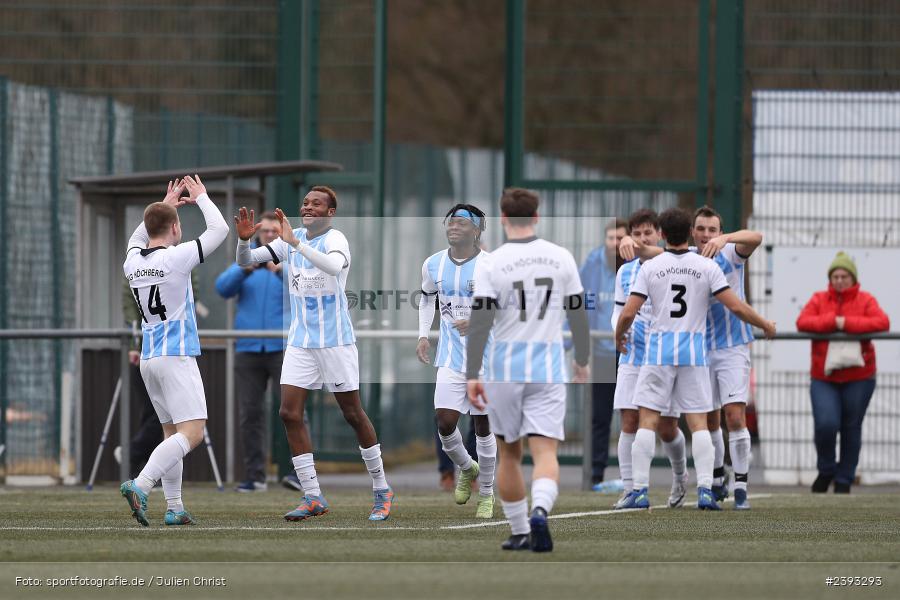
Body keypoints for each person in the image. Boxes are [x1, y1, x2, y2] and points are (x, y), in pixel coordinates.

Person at [234, 186, 393, 521]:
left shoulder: (335, 240)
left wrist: (295, 244)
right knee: (288, 413)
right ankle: (312, 496)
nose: (308, 207)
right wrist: (245, 240)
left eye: (316, 204)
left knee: (353, 414)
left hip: (335, 341)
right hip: (300, 342)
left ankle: (381, 488)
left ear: (330, 212)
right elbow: (245, 261)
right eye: (305, 202)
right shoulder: (290, 240)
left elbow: (334, 268)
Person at [614, 208, 775, 511]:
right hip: (695, 352)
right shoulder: (705, 266)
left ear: (661, 234)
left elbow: (628, 312)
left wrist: (618, 336)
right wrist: (765, 324)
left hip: (659, 351)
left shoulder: (650, 267)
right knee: (699, 424)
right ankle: (704, 489)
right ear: (690, 233)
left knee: (647, 421)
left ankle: (639, 490)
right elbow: (737, 307)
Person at [466, 188, 591, 552]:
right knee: (545, 451)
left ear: (503, 219)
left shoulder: (491, 261)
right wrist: (581, 358)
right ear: (536, 217)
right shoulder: (561, 257)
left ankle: (521, 530)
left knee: (509, 454)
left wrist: (473, 373)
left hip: (504, 368)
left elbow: (480, 322)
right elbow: (578, 315)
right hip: (548, 367)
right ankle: (540, 508)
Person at [119, 176, 229, 526]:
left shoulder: (132, 262)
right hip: (176, 355)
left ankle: (175, 507)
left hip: (149, 359)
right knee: (193, 432)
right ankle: (141, 484)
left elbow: (138, 238)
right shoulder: (177, 258)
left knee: (171, 433)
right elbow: (220, 229)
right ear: (175, 227)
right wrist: (202, 197)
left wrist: (165, 203)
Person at [417, 204, 496, 518]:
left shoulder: (492, 265)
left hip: (486, 359)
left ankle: (487, 495)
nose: (454, 226)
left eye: (462, 223)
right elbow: (425, 297)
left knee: (483, 426)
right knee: (445, 424)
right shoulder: (433, 263)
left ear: (477, 230)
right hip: (450, 357)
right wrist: (423, 335)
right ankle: (467, 467)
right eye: (450, 222)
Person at [610, 209, 688, 510]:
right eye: (637, 233)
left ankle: (680, 476)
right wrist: (619, 331)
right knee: (628, 420)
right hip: (633, 354)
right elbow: (619, 310)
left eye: (648, 233)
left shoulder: (675, 264)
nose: (642, 239)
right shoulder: (625, 271)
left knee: (667, 426)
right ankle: (631, 489)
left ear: (660, 235)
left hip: (665, 355)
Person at [796, 252, 889, 494]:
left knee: (851, 427)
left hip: (860, 377)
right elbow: (803, 322)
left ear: (853, 278)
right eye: (835, 276)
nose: (839, 280)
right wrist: (832, 320)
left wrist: (844, 323)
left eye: (844, 276)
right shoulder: (819, 298)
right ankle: (826, 469)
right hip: (824, 377)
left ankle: (845, 479)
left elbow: (881, 323)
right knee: (825, 424)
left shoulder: (866, 300)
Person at [215, 212, 289, 492]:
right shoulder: (248, 262)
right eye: (265, 231)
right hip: (247, 349)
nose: (269, 235)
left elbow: (304, 293)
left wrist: (278, 270)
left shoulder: (290, 260)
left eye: (274, 231)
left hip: (282, 349)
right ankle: (255, 476)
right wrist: (243, 269)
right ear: (258, 234)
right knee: (250, 414)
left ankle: (297, 474)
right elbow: (222, 288)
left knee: (291, 411)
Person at [577, 219, 626, 489]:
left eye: (620, 237)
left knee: (634, 414)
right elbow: (584, 305)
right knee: (600, 416)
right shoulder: (593, 266)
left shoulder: (636, 264)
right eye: (610, 238)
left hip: (631, 352)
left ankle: (635, 476)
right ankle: (596, 474)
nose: (615, 243)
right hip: (603, 353)